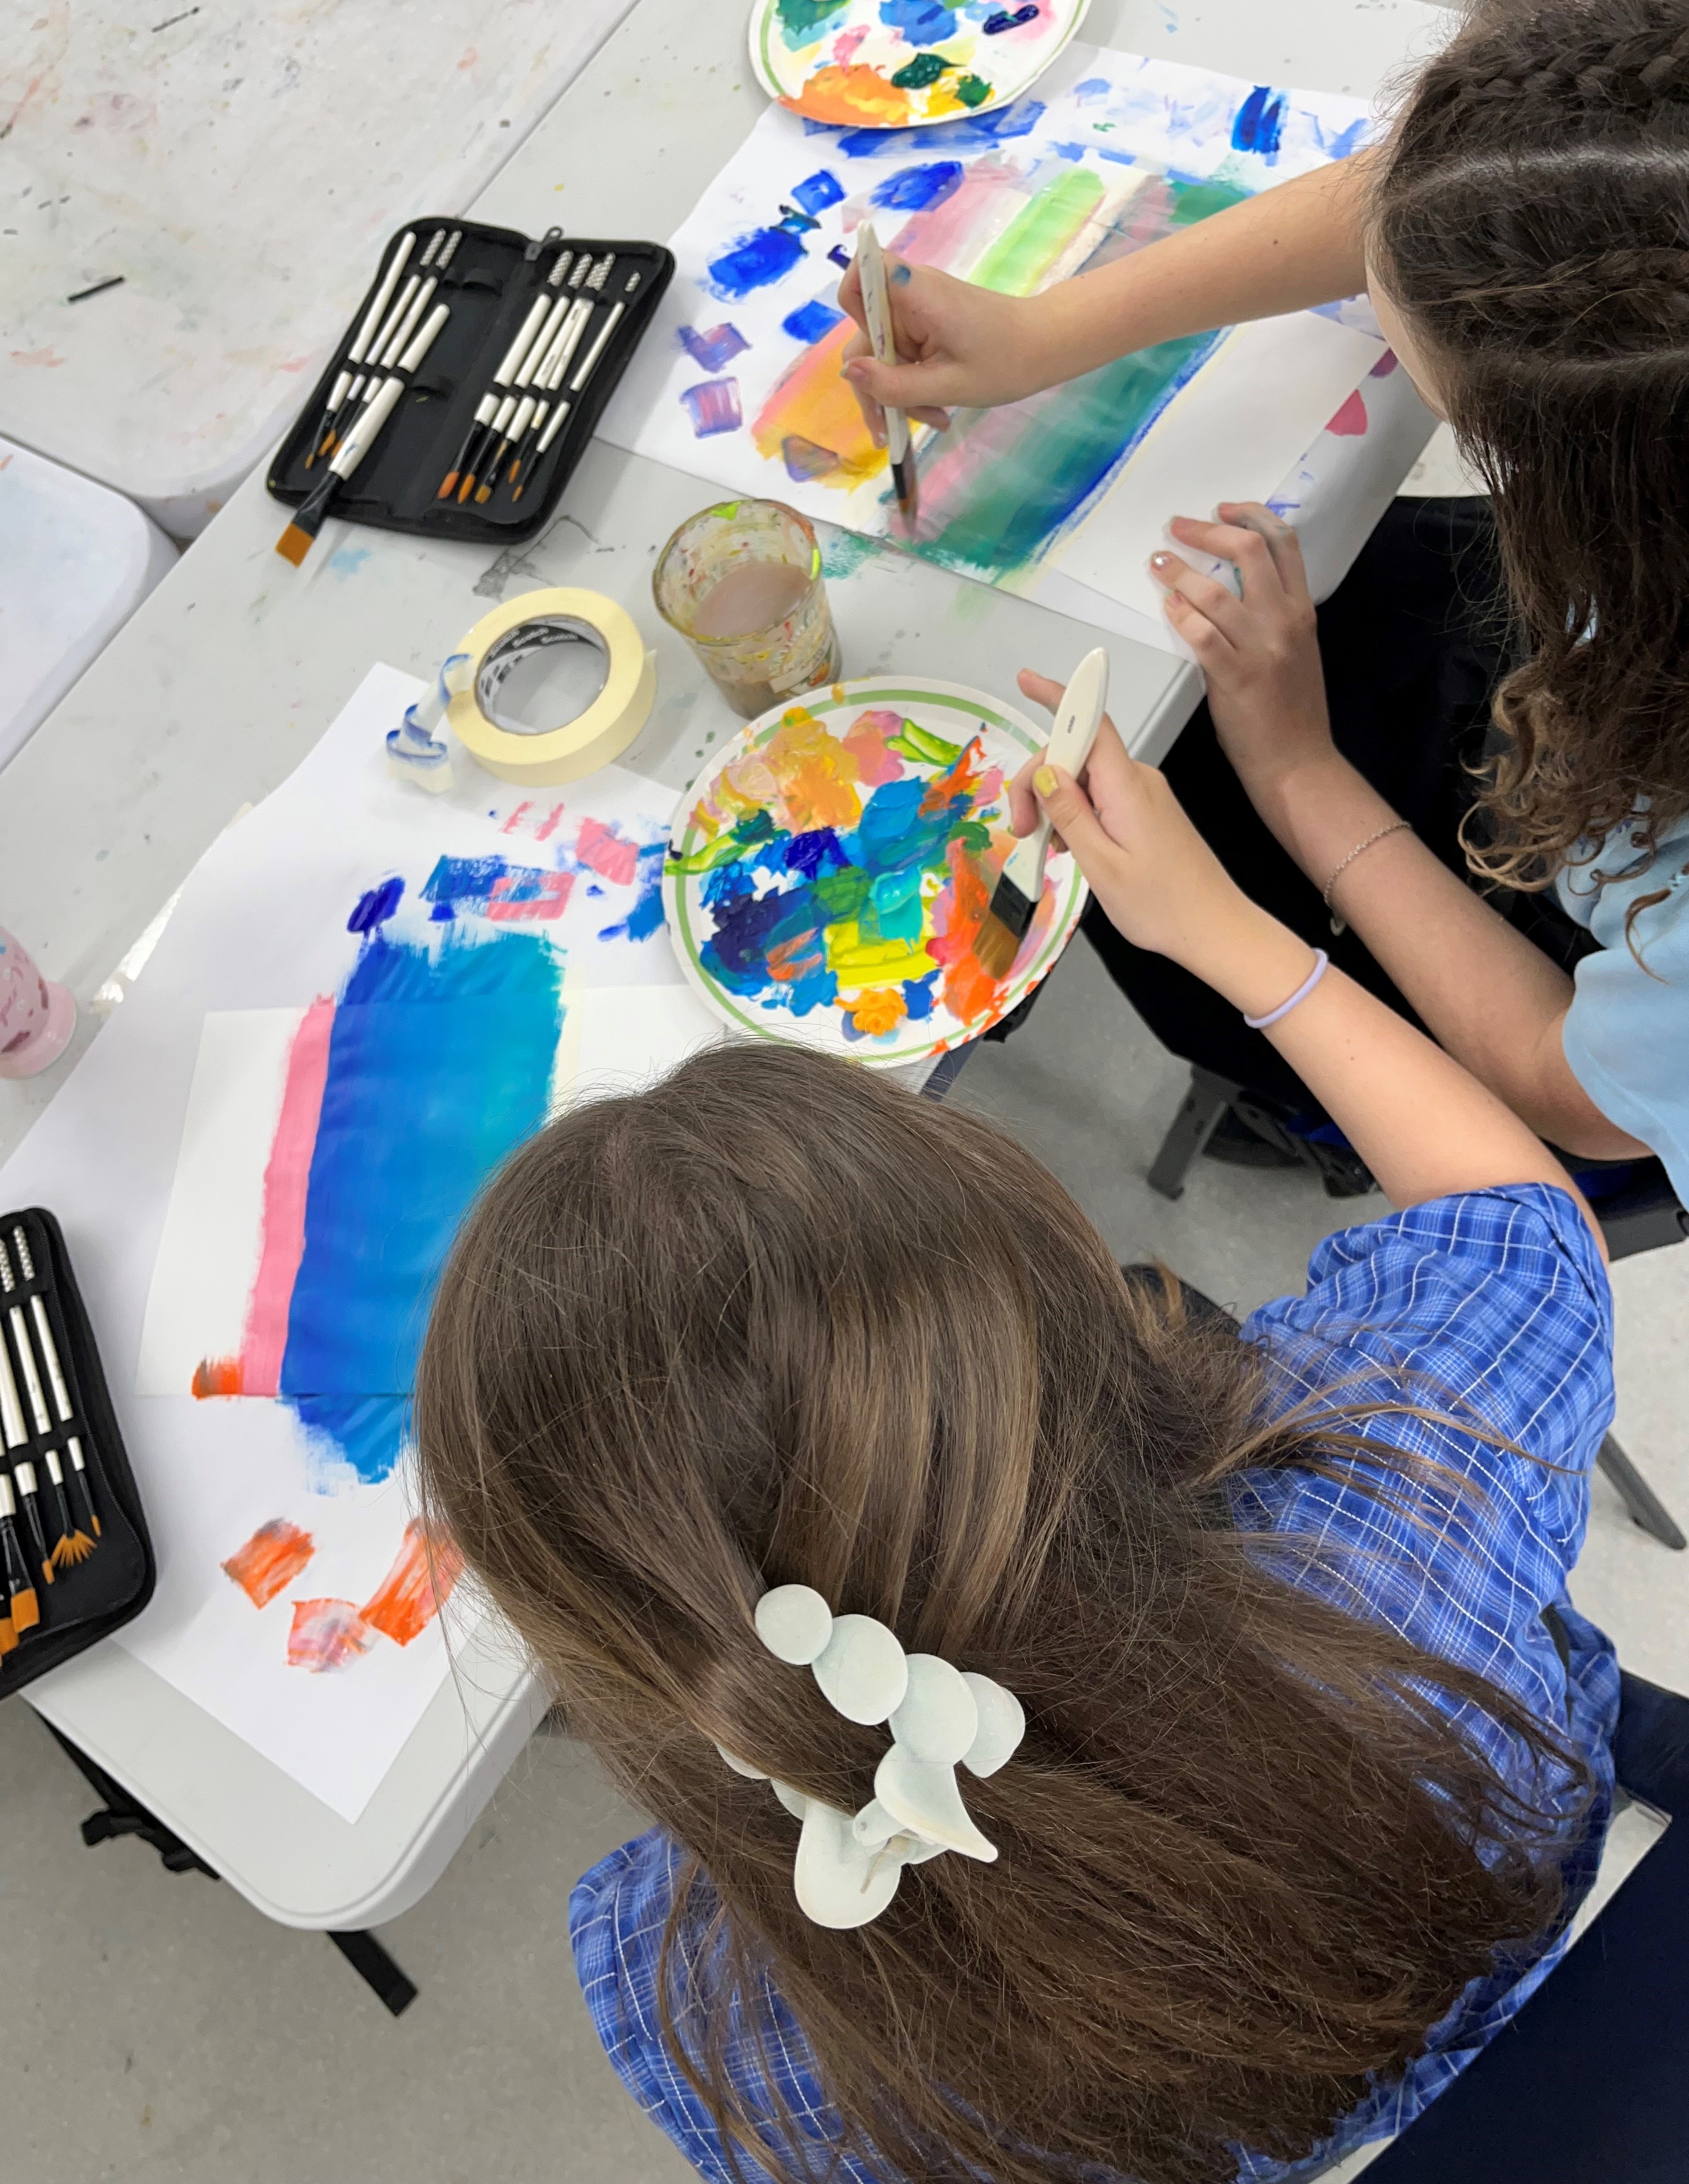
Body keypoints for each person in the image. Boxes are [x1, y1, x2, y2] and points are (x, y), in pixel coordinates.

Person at [416, 777, 1619, 2183]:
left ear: (618, 1632)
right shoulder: (1403, 1489)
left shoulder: (681, 1989)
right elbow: (1521, 1226)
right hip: (1527, 1948)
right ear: (1058, 1310)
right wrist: (1227, 933)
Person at [839, 0, 1689, 1238]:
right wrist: (1049, 334)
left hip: (1582, 1041)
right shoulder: (1684, 330)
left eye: (1462, 421)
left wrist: (1297, 775)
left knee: (1169, 857)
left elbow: (1578, 1095)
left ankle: (1290, 1117)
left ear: (1623, 498)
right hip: (1629, 723)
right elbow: (1443, 216)